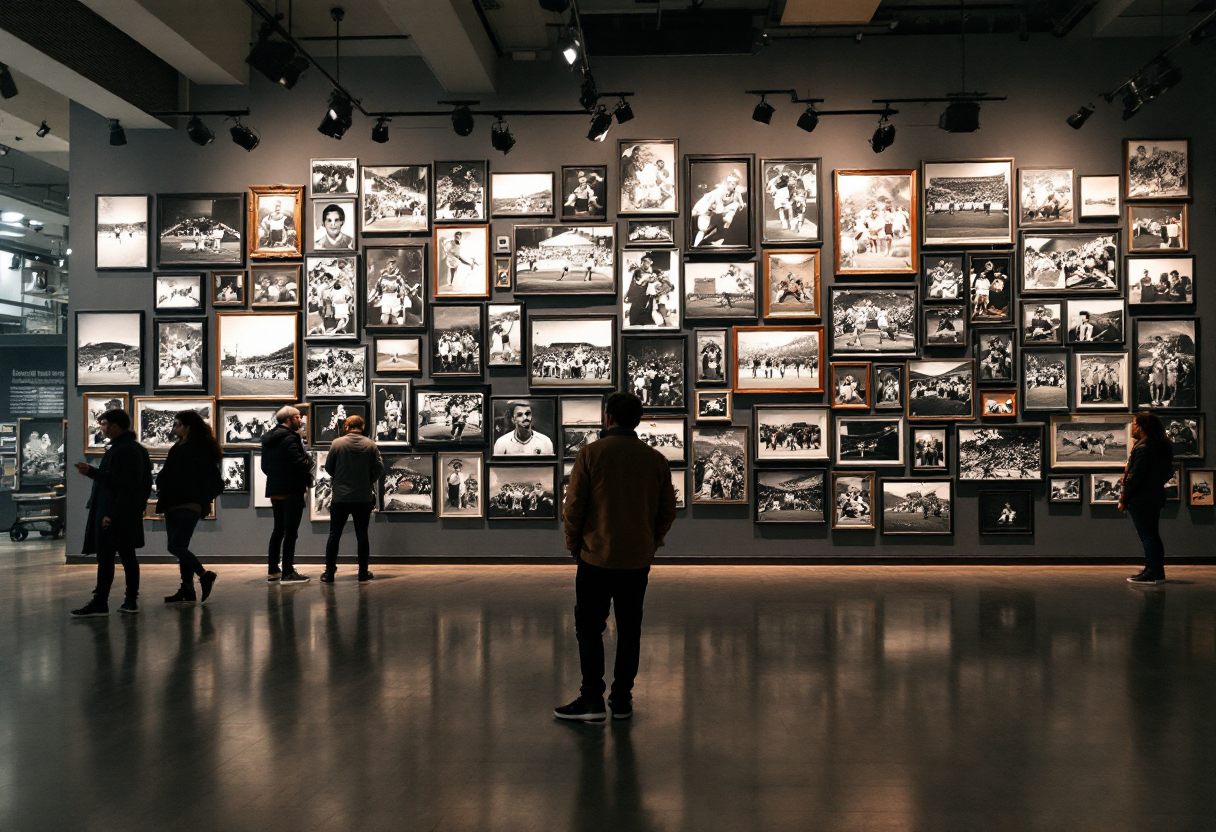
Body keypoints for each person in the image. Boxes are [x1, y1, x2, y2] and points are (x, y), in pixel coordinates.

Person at [556, 392, 677, 722]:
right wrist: (651, 542)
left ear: (608, 417)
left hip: (595, 557)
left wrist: (574, 545)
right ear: (637, 420)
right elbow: (667, 510)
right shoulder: (655, 459)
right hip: (636, 560)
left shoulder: (590, 454)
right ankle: (622, 699)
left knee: (589, 627)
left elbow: (574, 508)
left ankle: (591, 699)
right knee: (629, 628)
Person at [71, 409, 153, 617]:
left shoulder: (125, 450)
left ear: (115, 426)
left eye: (104, 424)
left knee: (111, 558)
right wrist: (92, 472)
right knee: (124, 556)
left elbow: (125, 484)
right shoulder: (127, 448)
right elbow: (122, 481)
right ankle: (124, 600)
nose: (101, 427)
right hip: (122, 512)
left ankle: (106, 601)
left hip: (116, 513)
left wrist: (112, 514)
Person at [156, 410, 224, 605]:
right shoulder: (179, 446)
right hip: (173, 502)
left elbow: (210, 479)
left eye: (177, 424)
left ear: (188, 426)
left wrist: (201, 498)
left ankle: (204, 574)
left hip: (187, 503)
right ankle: (187, 588)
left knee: (175, 546)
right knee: (181, 546)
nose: (174, 428)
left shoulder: (199, 449)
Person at [321, 416, 384, 583]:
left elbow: (328, 467)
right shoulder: (370, 445)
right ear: (362, 426)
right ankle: (363, 572)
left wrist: (339, 477)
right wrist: (370, 480)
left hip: (341, 496)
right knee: (362, 534)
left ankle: (329, 573)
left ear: (347, 426)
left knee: (334, 534)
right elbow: (379, 466)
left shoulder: (337, 443)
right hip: (362, 496)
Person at [1120, 411, 1175, 585]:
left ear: (1142, 427)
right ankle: (1157, 571)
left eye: (1135, 424)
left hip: (1141, 498)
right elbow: (1167, 473)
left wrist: (1124, 499)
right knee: (1153, 535)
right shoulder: (1160, 445)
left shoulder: (1143, 447)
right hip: (1154, 496)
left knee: (1147, 536)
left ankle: (1151, 572)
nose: (1132, 428)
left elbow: (1135, 476)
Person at [261, 405, 314, 584]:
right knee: (291, 532)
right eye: (297, 417)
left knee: (278, 530)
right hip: (292, 490)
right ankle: (288, 571)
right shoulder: (291, 438)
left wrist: (277, 477)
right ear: (288, 419)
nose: (300, 420)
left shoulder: (268, 439)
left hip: (275, 490)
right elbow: (299, 463)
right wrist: (308, 461)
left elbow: (264, 467)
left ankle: (273, 570)